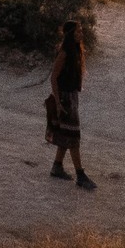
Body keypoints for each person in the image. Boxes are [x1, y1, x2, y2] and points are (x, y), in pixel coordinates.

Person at [45, 18, 94, 189]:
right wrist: (58, 103)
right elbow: (53, 77)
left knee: (67, 135)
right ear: (70, 34)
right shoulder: (65, 52)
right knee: (74, 137)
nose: (81, 33)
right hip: (65, 99)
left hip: (71, 97)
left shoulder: (75, 50)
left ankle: (57, 166)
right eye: (78, 31)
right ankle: (80, 175)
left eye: (81, 30)